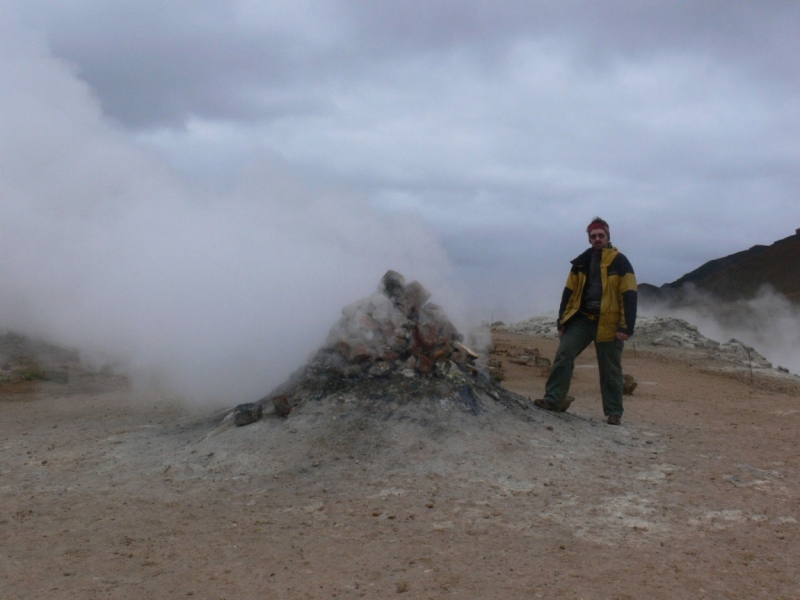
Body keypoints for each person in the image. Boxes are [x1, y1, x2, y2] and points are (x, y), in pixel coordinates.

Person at [534, 217, 637, 425]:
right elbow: (568, 293)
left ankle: (614, 412)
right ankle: (553, 399)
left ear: (608, 236)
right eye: (593, 236)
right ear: (589, 239)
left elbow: (630, 294)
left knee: (610, 369)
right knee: (564, 354)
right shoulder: (580, 263)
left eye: (601, 235)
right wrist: (561, 322)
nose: (597, 239)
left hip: (608, 321)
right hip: (582, 319)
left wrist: (627, 327)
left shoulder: (620, 262)